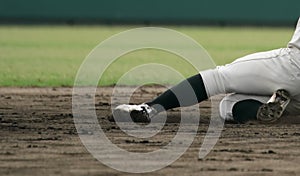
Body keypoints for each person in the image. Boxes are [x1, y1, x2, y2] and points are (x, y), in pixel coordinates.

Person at [112, 18, 300, 124]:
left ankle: (149, 108)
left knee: (219, 77)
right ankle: (263, 109)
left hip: (294, 67)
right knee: (227, 105)